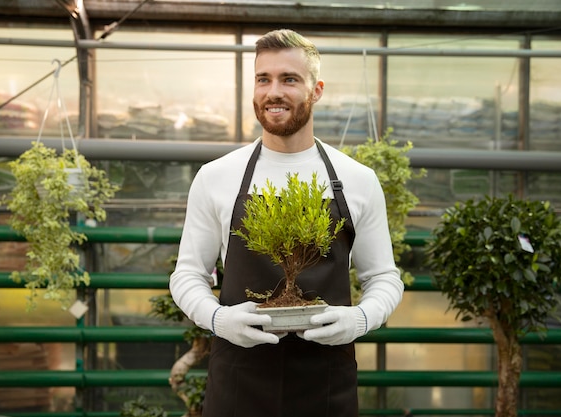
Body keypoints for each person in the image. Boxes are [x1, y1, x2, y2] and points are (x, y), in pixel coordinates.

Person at [170, 28, 404, 417]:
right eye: (264, 79)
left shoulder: (357, 180)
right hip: (239, 381)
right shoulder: (217, 176)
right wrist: (218, 319)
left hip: (325, 383)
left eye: (289, 79)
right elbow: (187, 274)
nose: (273, 91)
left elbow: (384, 277)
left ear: (317, 90)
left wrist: (360, 319)